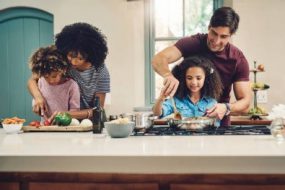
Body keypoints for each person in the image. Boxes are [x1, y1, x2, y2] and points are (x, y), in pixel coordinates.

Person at [151, 7, 251, 126]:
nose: (216, 40)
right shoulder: (192, 43)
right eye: (214, 33)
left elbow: (245, 103)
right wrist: (168, 75)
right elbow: (158, 59)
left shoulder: (237, 59)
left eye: (223, 37)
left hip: (219, 125)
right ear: (209, 27)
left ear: (231, 35)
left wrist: (226, 108)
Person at [27, 22, 110, 120]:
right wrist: (38, 97)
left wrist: (66, 114)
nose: (73, 62)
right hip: (65, 122)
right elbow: (32, 81)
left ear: (89, 55)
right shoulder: (64, 63)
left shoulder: (100, 71)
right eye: (71, 56)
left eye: (80, 58)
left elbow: (98, 109)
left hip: (90, 123)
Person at [153, 56, 223, 126]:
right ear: (183, 79)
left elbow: (215, 124)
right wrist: (161, 98)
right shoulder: (175, 100)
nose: (194, 82)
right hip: (181, 136)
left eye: (198, 78)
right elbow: (157, 113)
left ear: (206, 79)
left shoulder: (212, 102)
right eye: (189, 78)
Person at [29, 45, 80, 123]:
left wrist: (62, 116)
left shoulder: (72, 86)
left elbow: (75, 111)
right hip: (46, 126)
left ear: (63, 70)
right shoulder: (41, 81)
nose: (50, 81)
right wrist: (37, 105)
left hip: (65, 127)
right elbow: (37, 99)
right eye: (46, 77)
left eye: (54, 76)